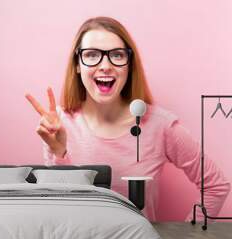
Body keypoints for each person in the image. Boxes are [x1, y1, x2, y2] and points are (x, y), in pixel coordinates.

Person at [25, 16, 230, 221]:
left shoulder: (161, 125)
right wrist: (58, 153)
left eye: (117, 55)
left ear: (129, 65)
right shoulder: (59, 124)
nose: (105, 65)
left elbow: (216, 186)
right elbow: (59, 209)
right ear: (77, 65)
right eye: (92, 54)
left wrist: (187, 238)